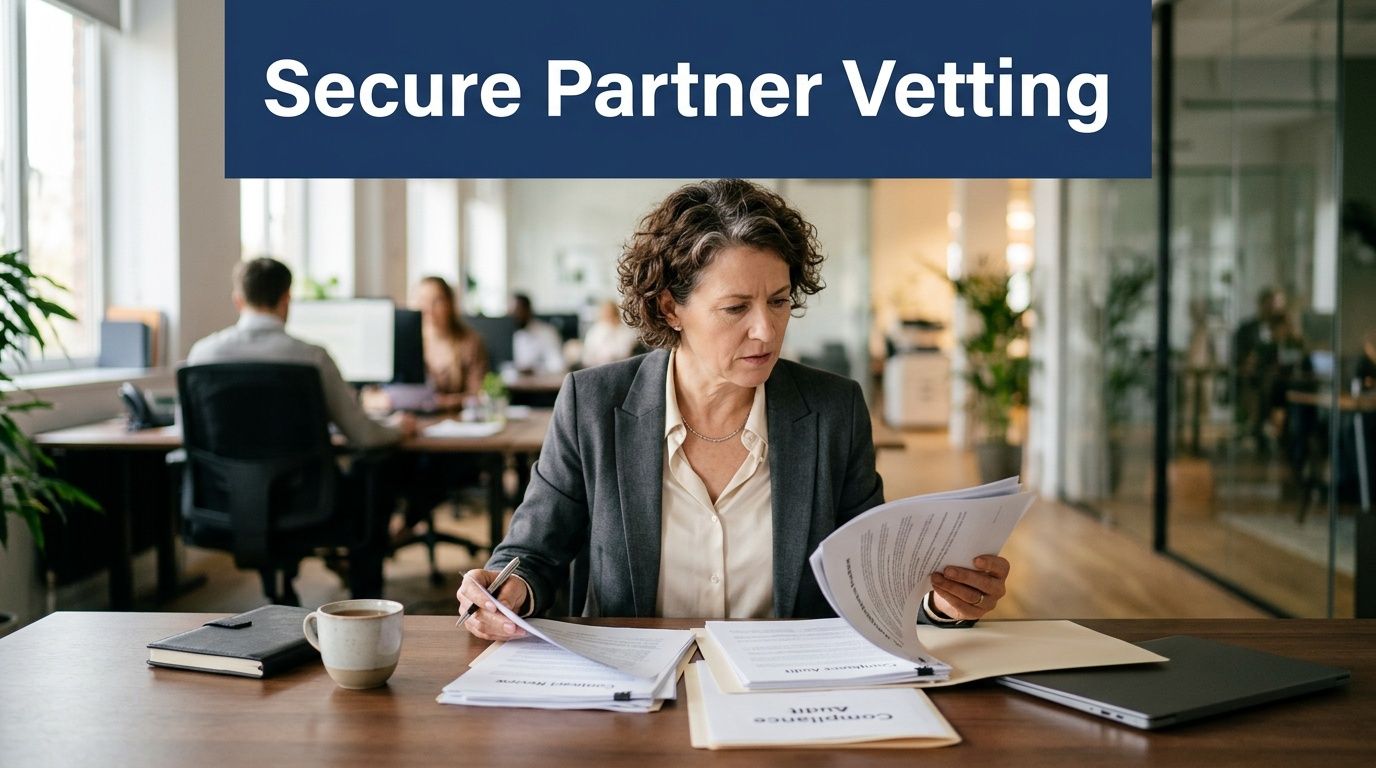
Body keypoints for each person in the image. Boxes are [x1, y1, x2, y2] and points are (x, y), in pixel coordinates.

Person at [457, 179, 1011, 640]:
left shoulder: (832, 409)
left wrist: (944, 604)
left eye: (778, 301)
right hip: (634, 695)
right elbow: (533, 555)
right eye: (735, 307)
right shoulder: (593, 404)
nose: (765, 330)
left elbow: (873, 580)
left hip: (789, 694)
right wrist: (507, 591)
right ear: (671, 307)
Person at [187, 257, 414, 598]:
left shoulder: (201, 355)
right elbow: (365, 437)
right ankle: (365, 604)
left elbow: (185, 433)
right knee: (375, 474)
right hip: (309, 503)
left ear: (238, 299)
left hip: (224, 501)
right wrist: (400, 427)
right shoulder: (312, 357)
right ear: (286, 299)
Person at [510, 293, 567, 375]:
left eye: (518, 311)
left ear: (528, 310)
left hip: (543, 385)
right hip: (522, 384)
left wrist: (535, 370)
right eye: (512, 312)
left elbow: (558, 365)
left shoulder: (546, 332)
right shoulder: (518, 335)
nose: (515, 315)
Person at [580, 298, 639, 368]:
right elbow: (587, 357)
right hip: (598, 367)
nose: (609, 317)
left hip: (623, 366)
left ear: (616, 314)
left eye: (611, 314)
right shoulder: (595, 332)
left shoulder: (626, 332)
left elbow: (626, 352)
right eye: (606, 314)